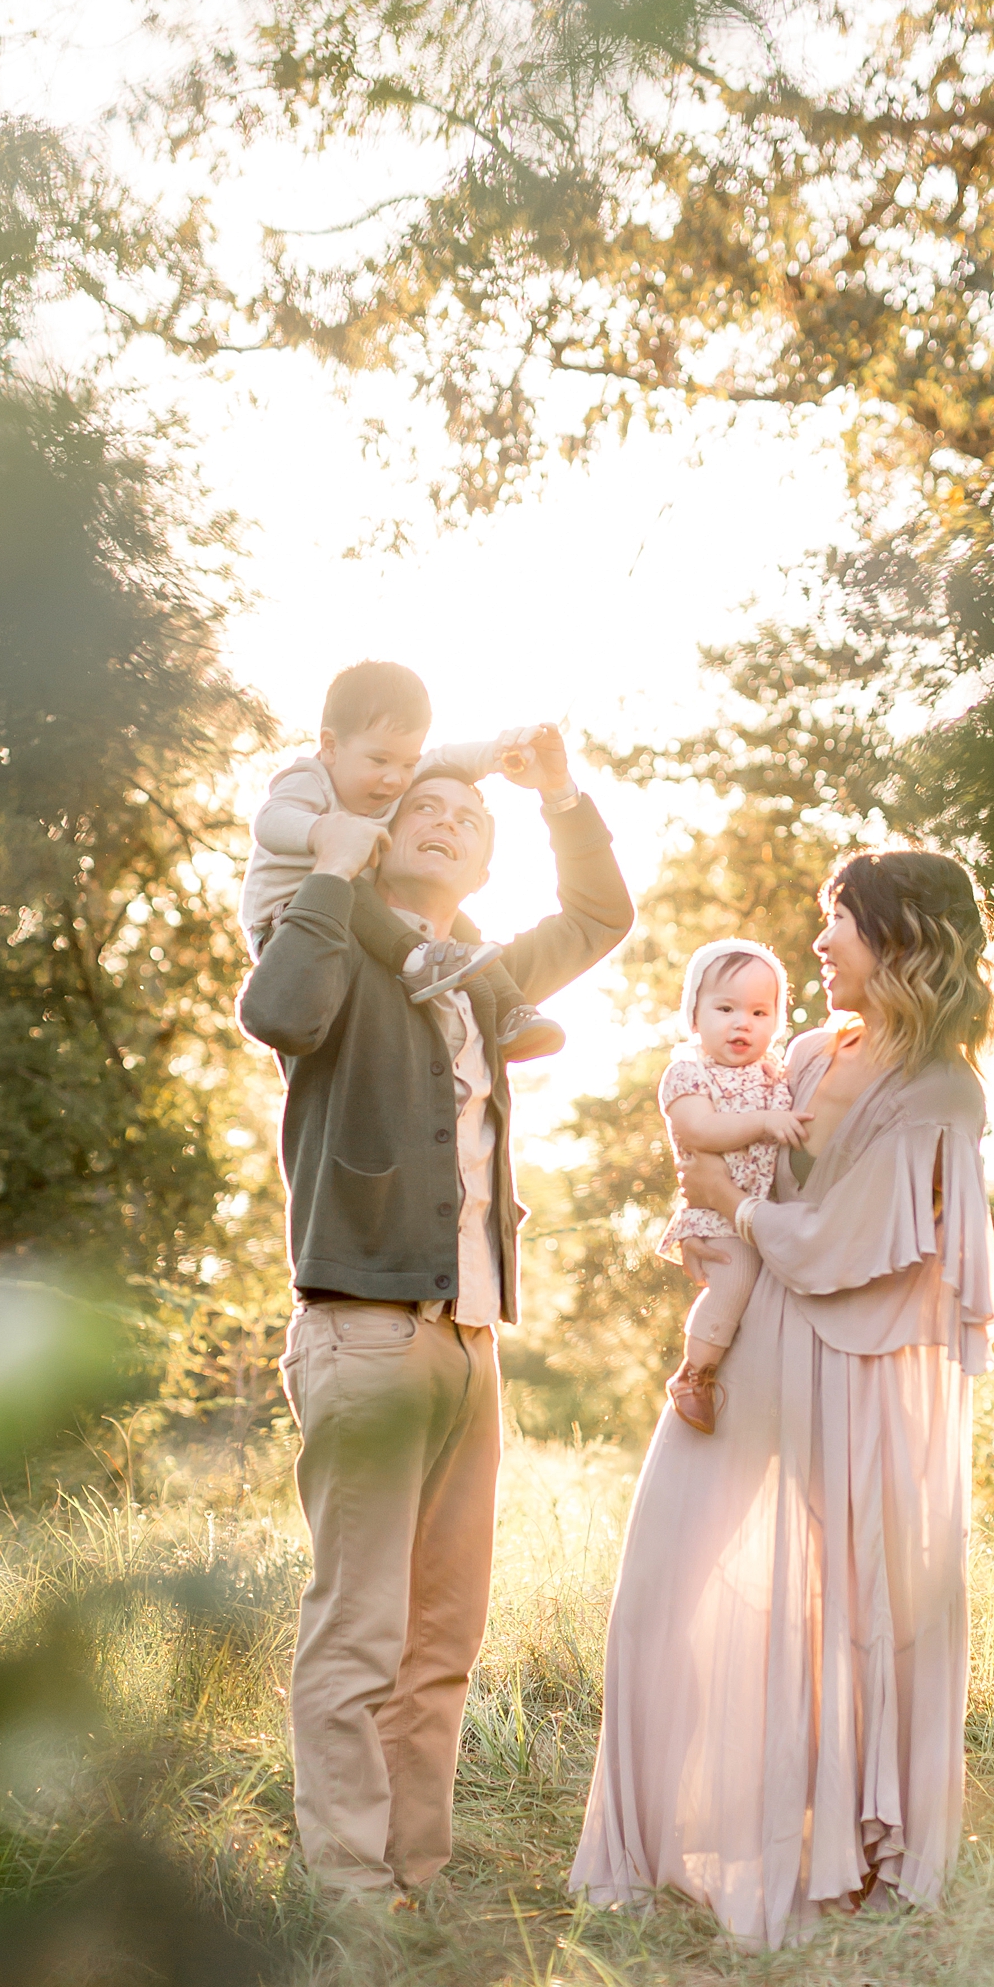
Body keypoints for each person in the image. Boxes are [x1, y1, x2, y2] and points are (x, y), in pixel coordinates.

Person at [570, 849, 994, 1947]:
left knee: (854, 1611)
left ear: (900, 937)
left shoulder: (942, 1090)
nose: (818, 945)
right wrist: (711, 1212)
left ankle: (852, 1851)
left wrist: (743, 1214)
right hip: (765, 1343)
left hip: (852, 1371)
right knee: (661, 1583)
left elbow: (844, 1239)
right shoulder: (812, 1049)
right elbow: (720, 1150)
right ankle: (644, 1838)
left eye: (839, 923)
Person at [238, 732, 633, 1903]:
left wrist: (557, 793)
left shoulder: (480, 980)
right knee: (359, 1636)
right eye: (425, 804)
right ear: (382, 830)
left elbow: (600, 917)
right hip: (360, 1329)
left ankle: (414, 1880)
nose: (449, 816)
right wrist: (327, 874)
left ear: (485, 856)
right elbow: (279, 1016)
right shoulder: (332, 944)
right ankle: (347, 1898)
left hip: (471, 1342)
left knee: (441, 1645)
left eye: (471, 812)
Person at [240, 660, 564, 1058]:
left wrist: (499, 753)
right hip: (287, 921)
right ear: (330, 746)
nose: (395, 779)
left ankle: (510, 1009)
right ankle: (414, 959)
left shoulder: (395, 781)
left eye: (407, 764)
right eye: (378, 761)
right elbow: (270, 821)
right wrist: (322, 832)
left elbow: (447, 759)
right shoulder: (310, 779)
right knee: (356, 886)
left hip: (350, 914)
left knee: (457, 926)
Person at [653, 939, 808, 1434]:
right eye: (725, 1008)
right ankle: (693, 1374)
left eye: (760, 1011)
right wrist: (766, 1121)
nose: (743, 1022)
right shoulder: (687, 1074)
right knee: (735, 1277)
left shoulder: (773, 1075)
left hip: (760, 1210)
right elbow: (699, 1131)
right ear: (694, 1016)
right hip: (716, 1215)